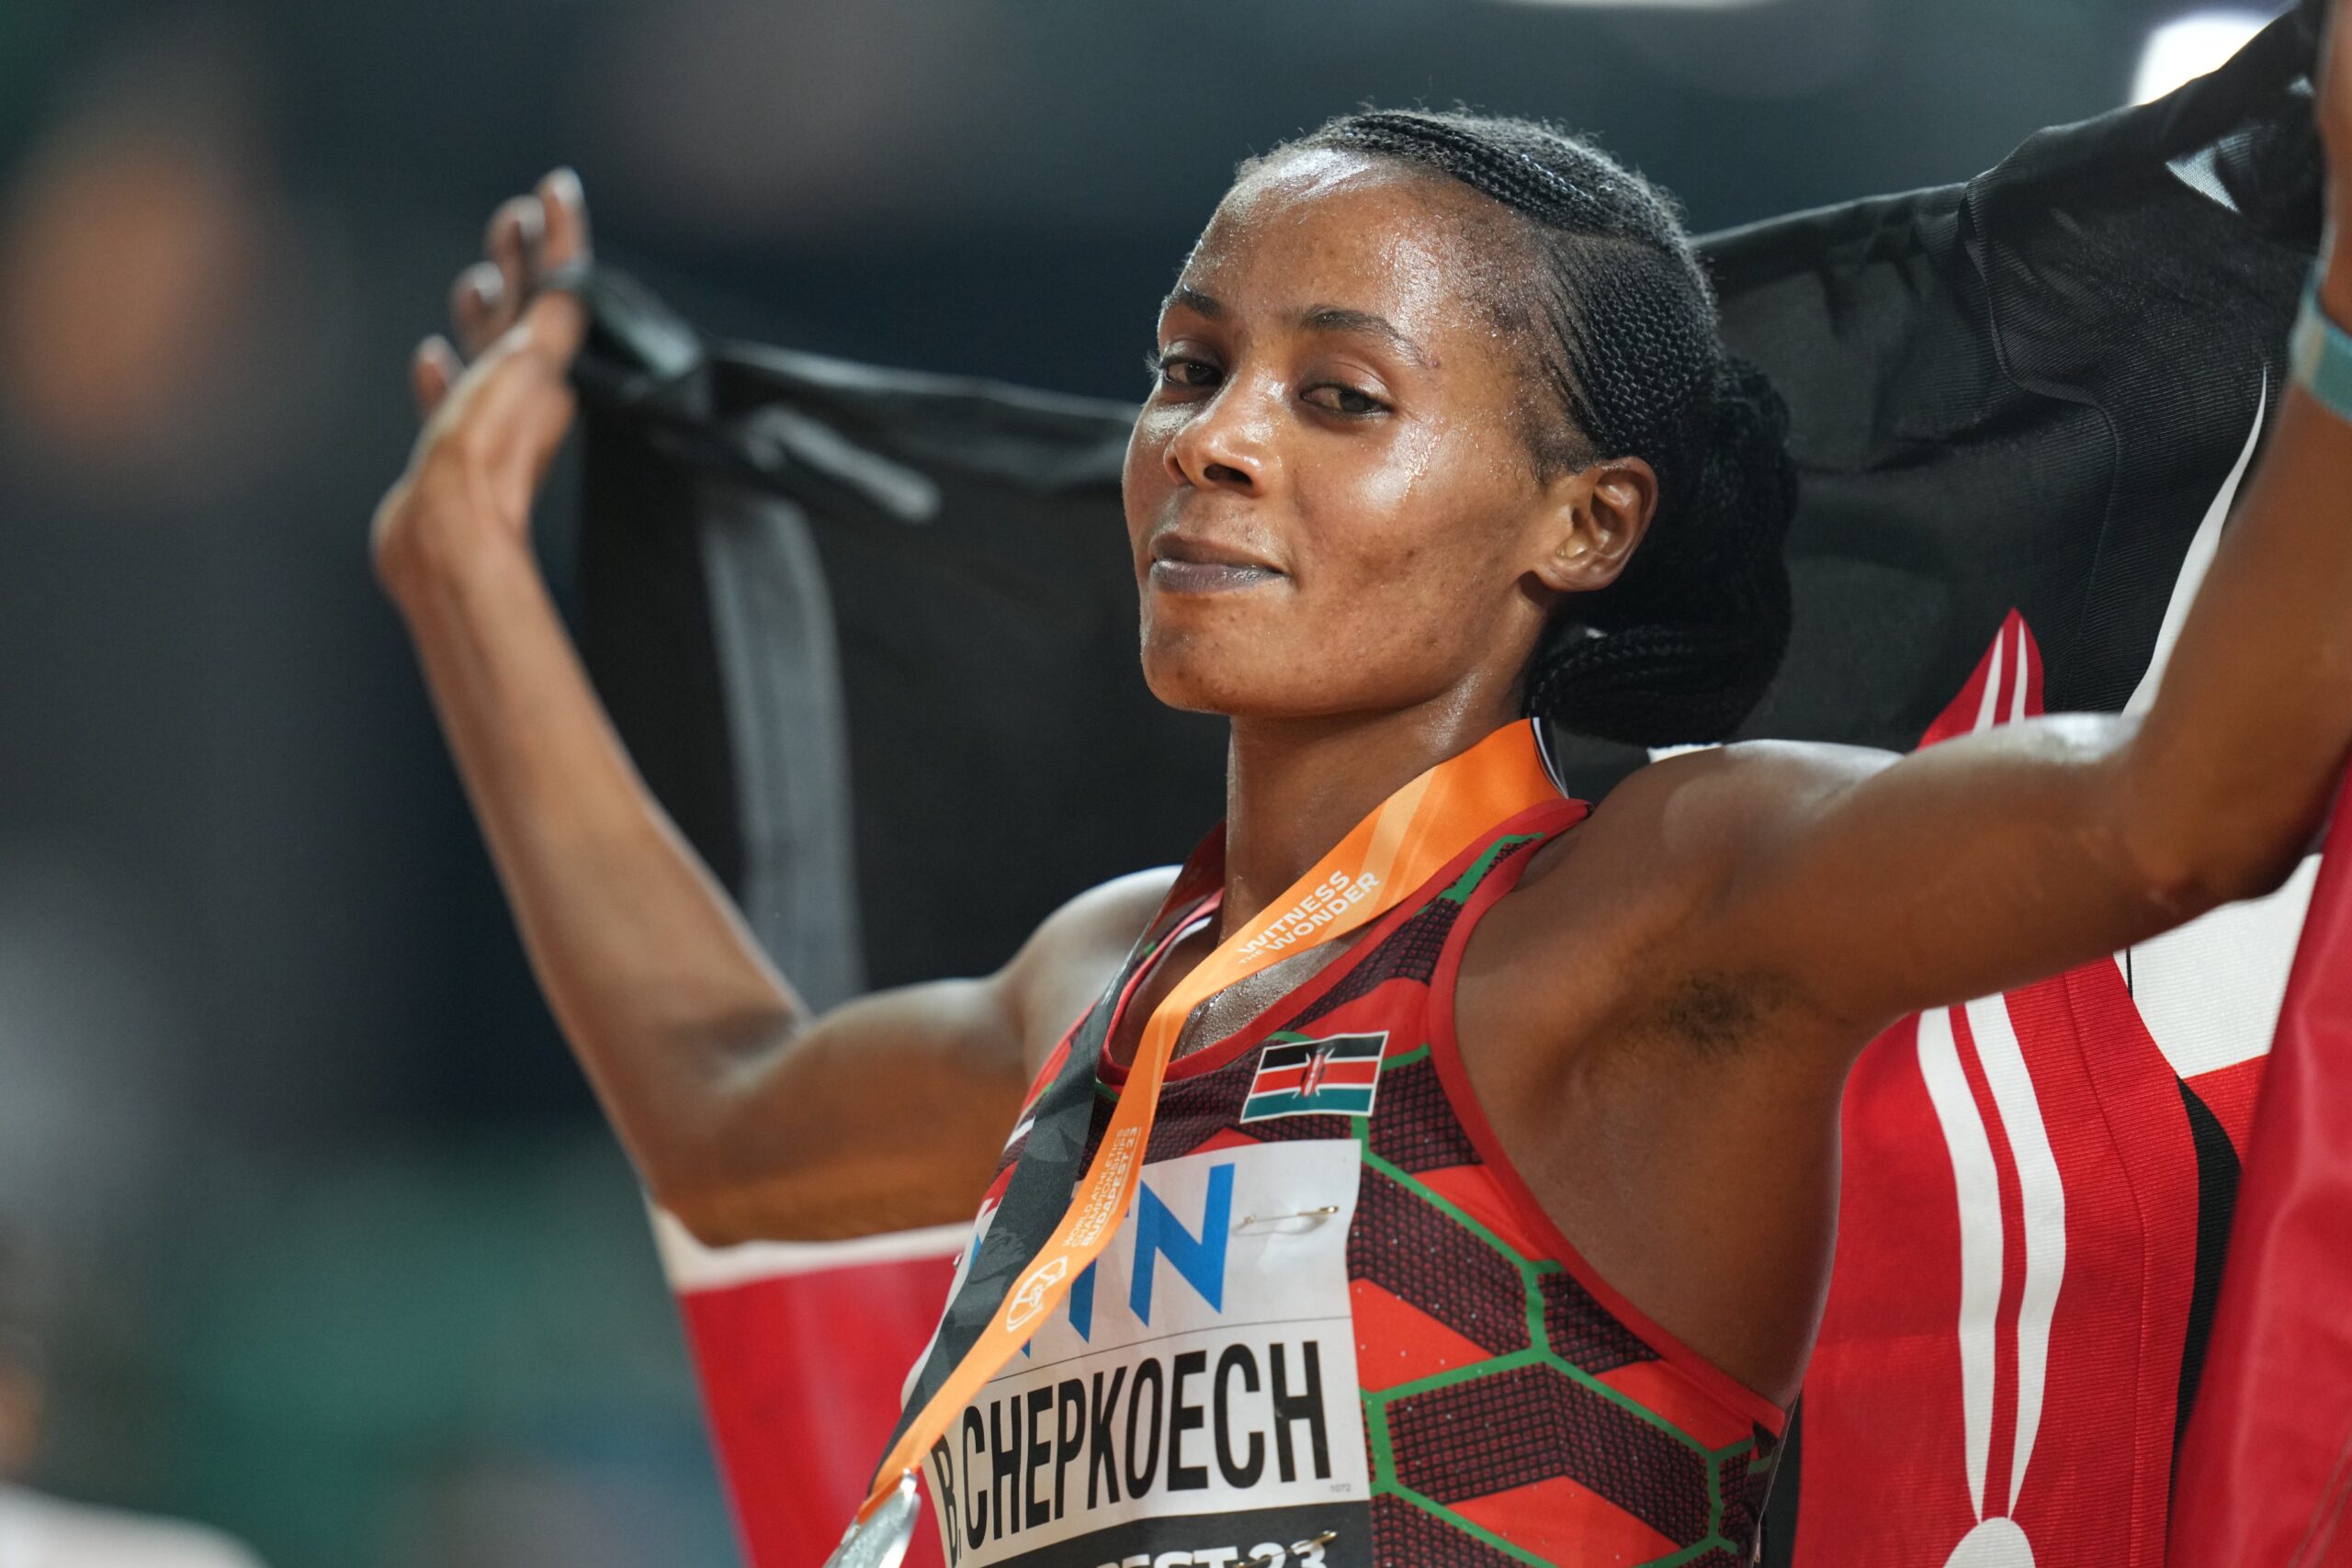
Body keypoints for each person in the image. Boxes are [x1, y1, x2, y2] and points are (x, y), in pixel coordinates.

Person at [371, 6, 2352, 1558]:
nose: (1210, 443)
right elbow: (726, 1119)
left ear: (1580, 522)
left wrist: (2337, 324)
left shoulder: (1640, 909)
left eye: (1337, 396)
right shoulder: (1102, 985)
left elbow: (2172, 810)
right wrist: (463, 577)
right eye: (1183, 366)